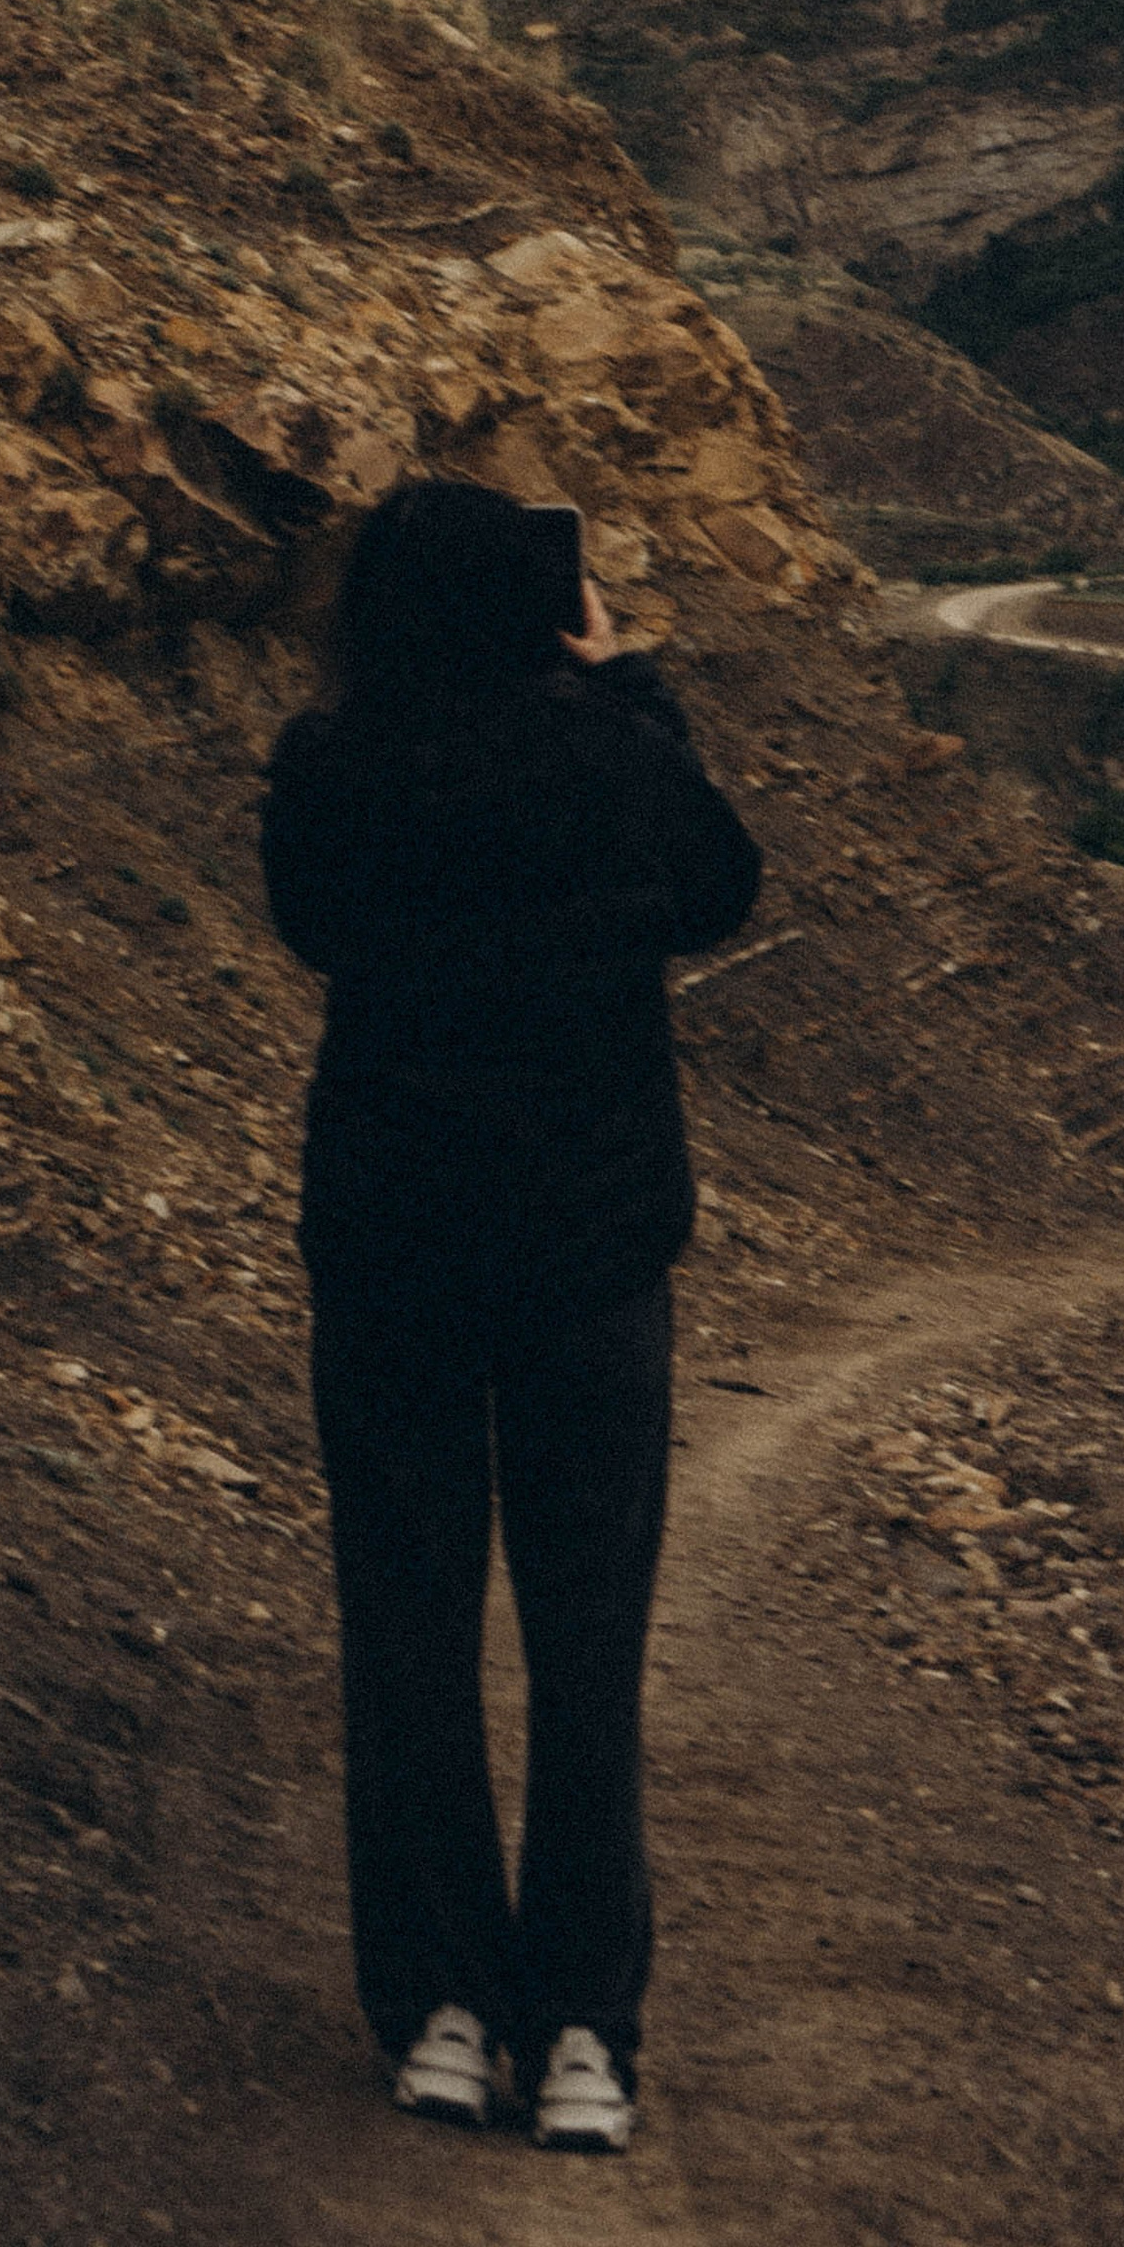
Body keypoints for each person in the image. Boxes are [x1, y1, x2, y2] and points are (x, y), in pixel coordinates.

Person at [260, 477, 761, 2156]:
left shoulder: (330, 768)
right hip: (589, 1259)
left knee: (406, 1634)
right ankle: (587, 2042)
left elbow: (311, 927)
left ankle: (443, 2014)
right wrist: (626, 685)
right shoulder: (616, 761)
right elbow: (718, 892)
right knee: (587, 1647)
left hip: (394, 1249)